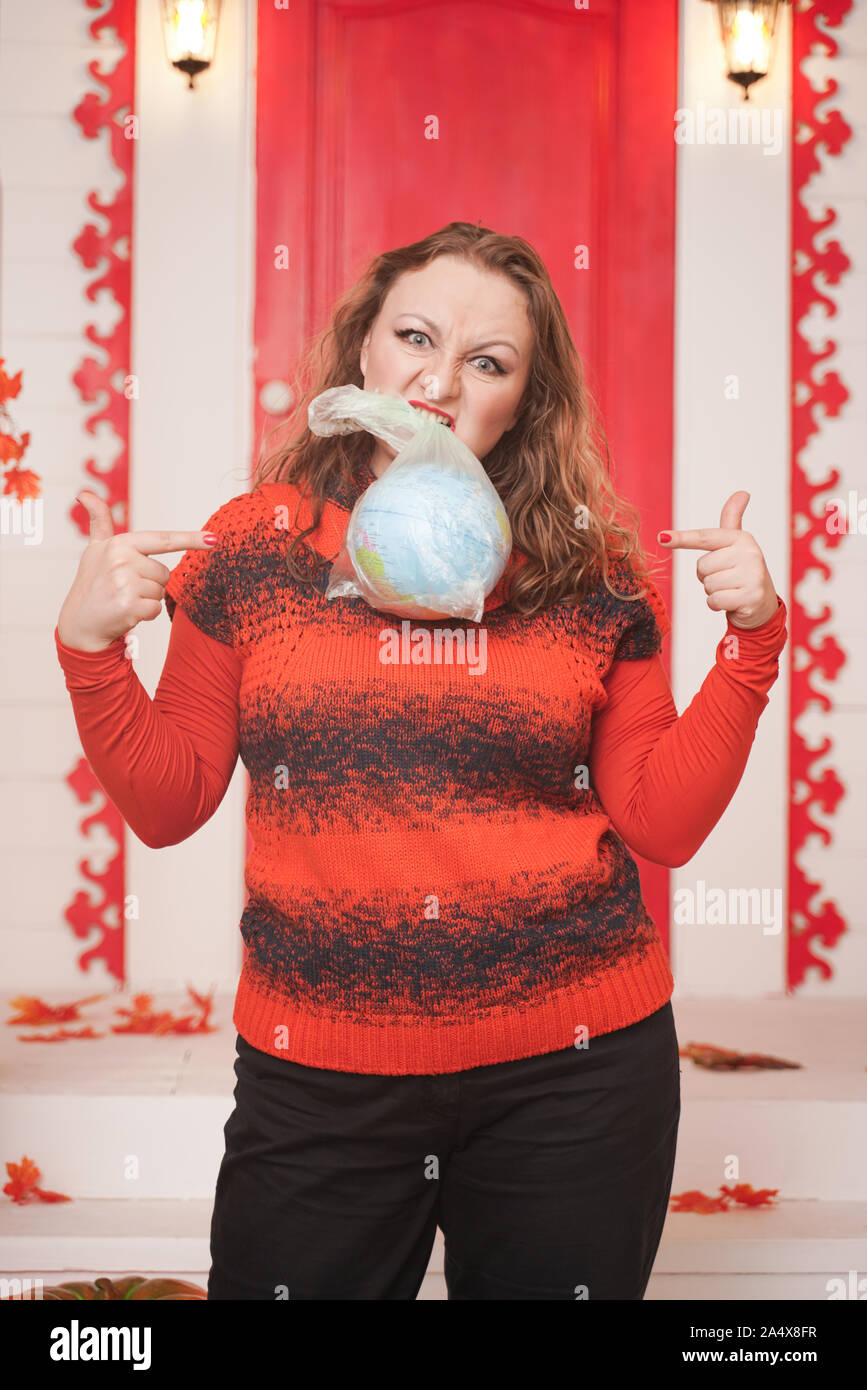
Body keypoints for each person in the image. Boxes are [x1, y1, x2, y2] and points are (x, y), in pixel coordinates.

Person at [55, 222, 788, 1300]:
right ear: (363, 355)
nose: (439, 382)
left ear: (522, 403)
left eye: (487, 362)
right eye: (415, 337)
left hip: (575, 1076)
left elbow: (660, 823)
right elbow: (169, 802)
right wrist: (90, 648)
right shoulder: (254, 548)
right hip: (321, 1080)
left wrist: (753, 641)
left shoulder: (592, 571)